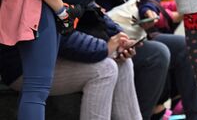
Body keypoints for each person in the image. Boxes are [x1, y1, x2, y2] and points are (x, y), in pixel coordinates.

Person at [0, 16, 143, 120]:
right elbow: (58, 33)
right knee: (105, 69)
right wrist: (103, 48)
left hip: (56, 53)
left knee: (122, 61)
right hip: (22, 64)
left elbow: (92, 8)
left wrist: (119, 36)